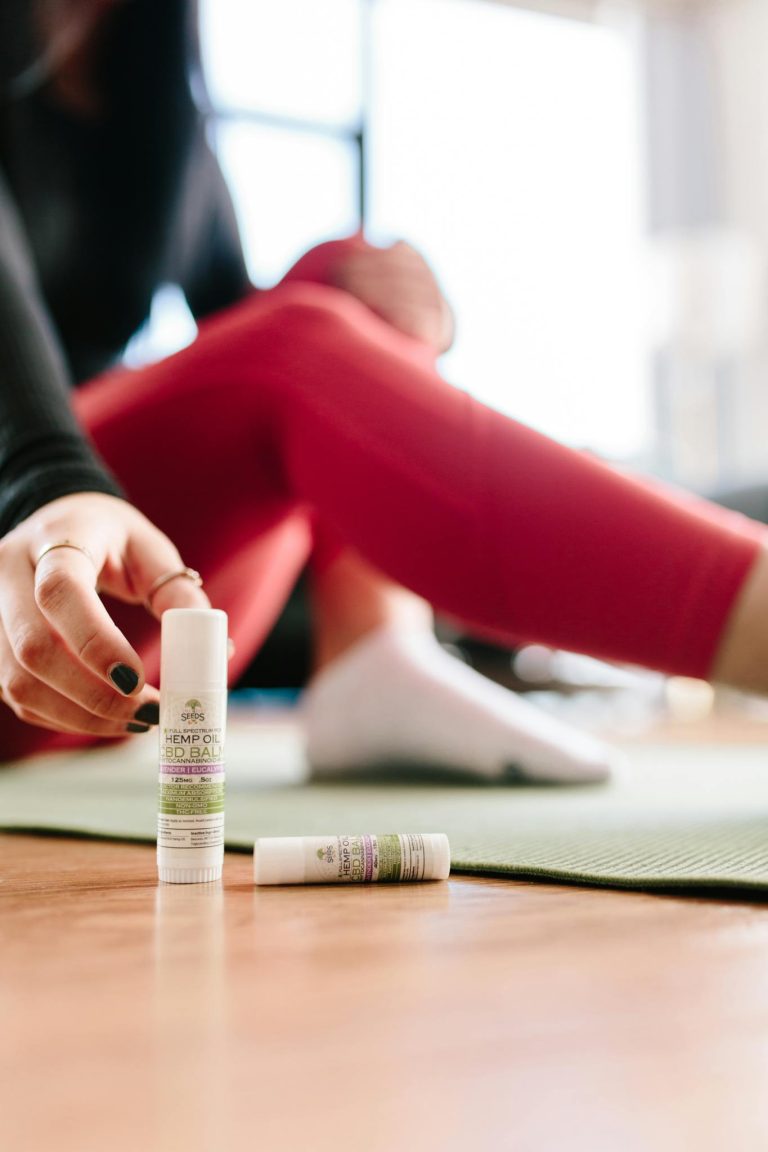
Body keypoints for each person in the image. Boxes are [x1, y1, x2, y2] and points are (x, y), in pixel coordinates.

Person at [0, 0, 766, 783]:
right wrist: (44, 480)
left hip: (119, 610)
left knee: (346, 273)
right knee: (297, 344)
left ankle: (376, 650)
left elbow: (233, 333)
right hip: (22, 566)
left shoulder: (153, 87)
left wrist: (388, 326)